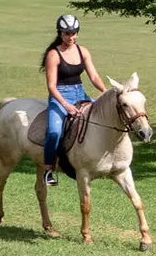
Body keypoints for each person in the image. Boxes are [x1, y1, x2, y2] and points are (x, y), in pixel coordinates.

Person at [39, 14, 109, 187]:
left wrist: (106, 92)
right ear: (60, 34)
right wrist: (66, 105)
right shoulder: (53, 55)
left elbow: (93, 76)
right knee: (54, 132)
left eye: (74, 33)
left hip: (81, 93)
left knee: (104, 116)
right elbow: (51, 86)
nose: (71, 37)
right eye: (67, 34)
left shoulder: (82, 51)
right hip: (60, 97)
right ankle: (48, 170)